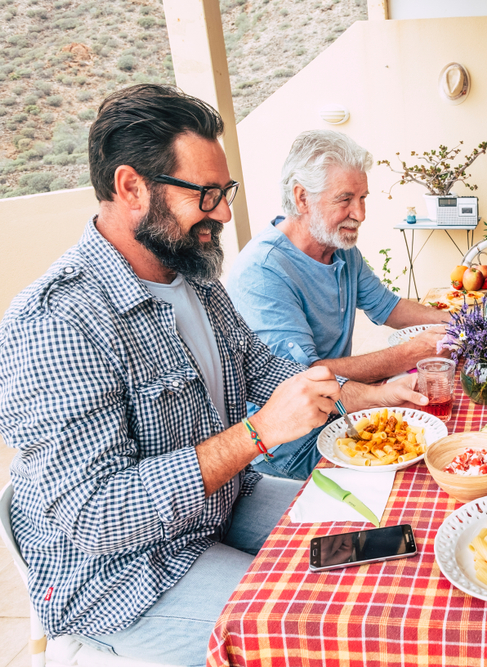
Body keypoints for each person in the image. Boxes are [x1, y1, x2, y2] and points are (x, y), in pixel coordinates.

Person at [0, 84, 424, 667]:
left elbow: (262, 369)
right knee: (324, 617)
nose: (225, 213)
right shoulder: (57, 321)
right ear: (131, 188)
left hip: (222, 501)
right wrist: (258, 434)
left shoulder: (192, 277)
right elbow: (95, 514)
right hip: (123, 576)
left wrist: (370, 395)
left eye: (225, 192)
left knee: (385, 537)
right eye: (206, 195)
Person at [228, 130, 450, 479]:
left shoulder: (341, 248)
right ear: (302, 198)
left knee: (443, 441)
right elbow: (305, 379)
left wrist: (457, 320)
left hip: (342, 414)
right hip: (291, 448)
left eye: (363, 198)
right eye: (345, 199)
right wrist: (406, 356)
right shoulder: (263, 270)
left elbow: (388, 306)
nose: (359, 213)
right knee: (417, 474)